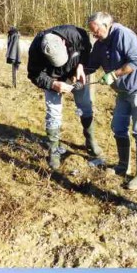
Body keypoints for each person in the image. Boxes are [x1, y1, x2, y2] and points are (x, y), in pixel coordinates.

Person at [83, 11, 137, 190]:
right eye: (92, 32)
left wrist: (114, 74)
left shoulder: (123, 34)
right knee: (118, 127)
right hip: (122, 91)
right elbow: (91, 64)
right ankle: (123, 166)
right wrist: (76, 73)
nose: (94, 35)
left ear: (106, 26)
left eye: (96, 31)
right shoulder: (100, 44)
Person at [26, 24, 103, 169]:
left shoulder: (75, 34)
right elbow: (34, 74)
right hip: (53, 80)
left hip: (76, 75)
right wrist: (54, 84)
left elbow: (87, 48)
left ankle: (91, 141)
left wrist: (81, 65)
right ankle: (54, 151)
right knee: (53, 113)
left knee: (85, 106)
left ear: (63, 42)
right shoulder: (36, 48)